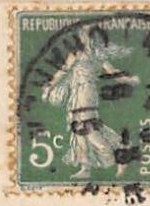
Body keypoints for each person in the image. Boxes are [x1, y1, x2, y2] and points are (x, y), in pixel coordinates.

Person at [41, 26, 139, 180]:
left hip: (85, 94)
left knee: (87, 129)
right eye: (83, 35)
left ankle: (116, 154)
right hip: (79, 94)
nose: (84, 38)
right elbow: (63, 71)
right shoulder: (86, 55)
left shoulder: (87, 55)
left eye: (86, 36)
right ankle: (86, 166)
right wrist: (49, 87)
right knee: (79, 129)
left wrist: (129, 80)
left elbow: (112, 72)